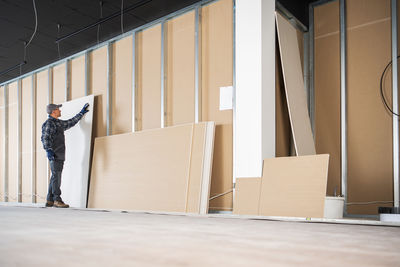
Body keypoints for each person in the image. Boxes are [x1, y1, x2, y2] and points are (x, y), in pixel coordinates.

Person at [41, 103, 89, 208]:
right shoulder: (49, 123)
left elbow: (70, 122)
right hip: (55, 154)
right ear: (53, 111)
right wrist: (48, 150)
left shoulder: (58, 123)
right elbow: (45, 137)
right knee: (56, 176)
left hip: (59, 154)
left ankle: (50, 199)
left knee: (55, 176)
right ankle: (57, 200)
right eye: (58, 109)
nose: (60, 111)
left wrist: (81, 113)